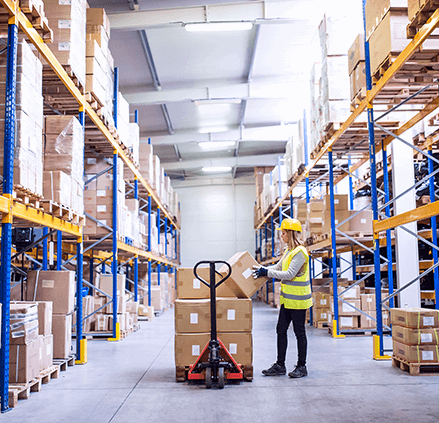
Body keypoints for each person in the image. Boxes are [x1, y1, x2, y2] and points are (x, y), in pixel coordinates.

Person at [252, 218, 312, 378]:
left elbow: (289, 274)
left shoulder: (300, 252)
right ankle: (280, 365)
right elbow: (278, 268)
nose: (281, 236)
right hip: (287, 299)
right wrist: (262, 269)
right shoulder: (288, 252)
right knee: (280, 330)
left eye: (283, 233)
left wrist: (267, 273)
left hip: (299, 300)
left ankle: (302, 366)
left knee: (299, 332)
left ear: (290, 234)